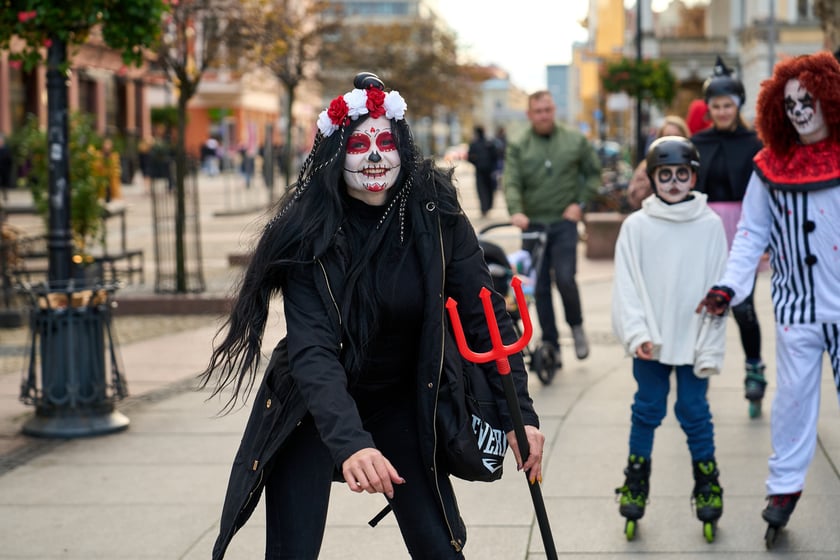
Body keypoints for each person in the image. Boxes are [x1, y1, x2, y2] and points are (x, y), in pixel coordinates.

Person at [198, 72, 546, 560]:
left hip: (399, 398)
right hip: (312, 406)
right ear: (336, 154)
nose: (375, 156)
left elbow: (483, 314)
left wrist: (518, 415)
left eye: (386, 142)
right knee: (292, 550)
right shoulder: (310, 232)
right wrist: (351, 443)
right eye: (359, 145)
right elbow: (313, 351)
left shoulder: (435, 213)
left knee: (440, 547)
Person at [696, 51, 840, 542]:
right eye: (791, 103)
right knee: (792, 401)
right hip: (797, 307)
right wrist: (727, 287)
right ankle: (783, 488)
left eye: (808, 100)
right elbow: (751, 235)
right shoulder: (769, 166)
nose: (800, 111)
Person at [613, 136, 728, 541]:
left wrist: (710, 344)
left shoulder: (710, 225)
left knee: (695, 411)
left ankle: (707, 481)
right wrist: (636, 333)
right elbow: (626, 286)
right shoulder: (637, 226)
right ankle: (635, 479)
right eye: (666, 175)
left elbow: (719, 285)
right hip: (651, 340)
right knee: (647, 408)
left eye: (682, 174)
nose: (675, 182)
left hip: (694, 338)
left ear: (694, 177)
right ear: (653, 178)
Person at [692, 56, 767, 418]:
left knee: (742, 304)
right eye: (716, 106)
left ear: (737, 105)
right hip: (705, 229)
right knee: (703, 303)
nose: (722, 112)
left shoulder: (755, 142)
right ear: (709, 108)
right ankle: (698, 374)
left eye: (727, 105)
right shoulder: (697, 143)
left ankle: (754, 368)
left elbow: (767, 193)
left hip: (743, 228)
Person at [503, 90, 600, 368]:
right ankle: (551, 345)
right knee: (540, 287)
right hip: (533, 225)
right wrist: (516, 210)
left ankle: (576, 325)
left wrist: (580, 203)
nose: (544, 115)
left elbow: (594, 173)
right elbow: (511, 180)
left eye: (548, 110)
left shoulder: (574, 139)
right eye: (538, 111)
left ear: (554, 110)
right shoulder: (519, 144)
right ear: (529, 114)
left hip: (564, 222)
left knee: (566, 278)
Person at [626, 115, 691, 209]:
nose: (672, 140)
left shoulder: (692, 164)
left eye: (677, 136)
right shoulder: (647, 165)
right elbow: (635, 199)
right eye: (667, 136)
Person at [467, 125, 498, 216]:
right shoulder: (489, 143)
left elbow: (469, 157)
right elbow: (496, 156)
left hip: (480, 170)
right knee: (489, 189)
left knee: (481, 189)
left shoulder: (474, 144)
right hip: (489, 170)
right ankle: (488, 206)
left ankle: (484, 208)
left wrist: (476, 163)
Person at [93, 137, 122, 202]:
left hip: (111, 178)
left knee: (110, 193)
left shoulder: (114, 156)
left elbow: (116, 167)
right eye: (106, 144)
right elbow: (96, 166)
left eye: (109, 144)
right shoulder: (99, 155)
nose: (107, 146)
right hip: (102, 177)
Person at [0, 133, 13, 198]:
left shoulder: (6, 150)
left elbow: (9, 160)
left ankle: (4, 193)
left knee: (4, 183)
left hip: (4, 169)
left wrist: (8, 169)